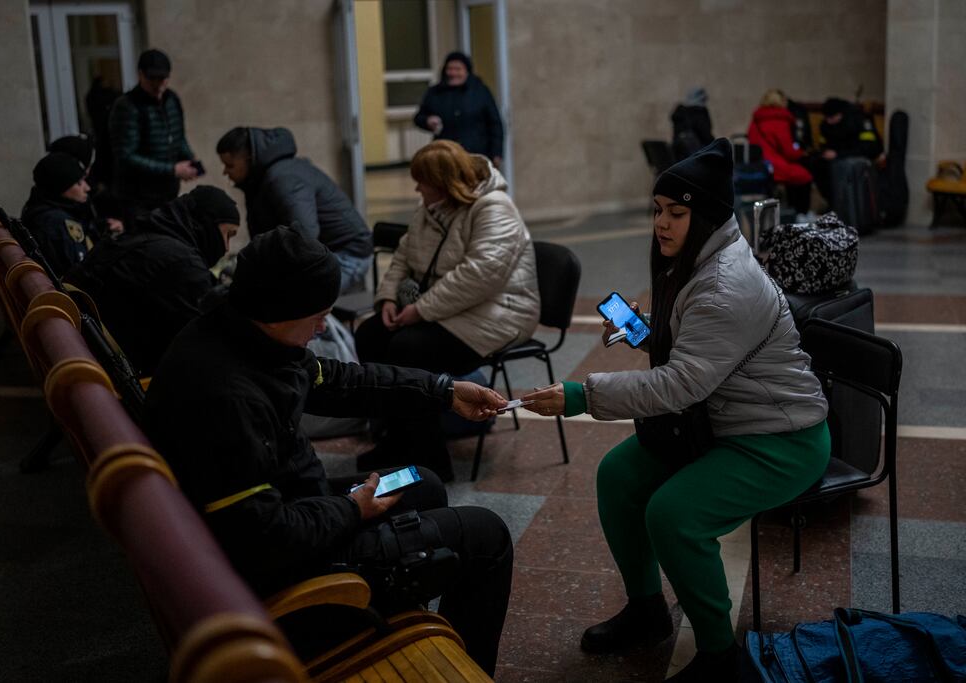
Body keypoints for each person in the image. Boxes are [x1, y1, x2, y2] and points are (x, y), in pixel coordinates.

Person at [523, 139, 830, 681]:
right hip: (722, 421)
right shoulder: (696, 262)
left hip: (781, 439)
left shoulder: (723, 286)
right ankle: (646, 610)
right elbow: (695, 355)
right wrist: (649, 333)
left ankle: (718, 655)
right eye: (658, 210)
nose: (661, 223)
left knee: (674, 515)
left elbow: (681, 384)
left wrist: (579, 396)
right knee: (619, 475)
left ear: (706, 215)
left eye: (677, 212)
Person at [143, 226, 514, 675]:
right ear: (280, 309)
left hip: (293, 509)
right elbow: (266, 539)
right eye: (317, 315)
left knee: (423, 481)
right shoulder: (227, 398)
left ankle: (388, 609)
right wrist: (351, 510)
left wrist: (443, 390)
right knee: (488, 537)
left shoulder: (244, 333)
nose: (324, 326)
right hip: (293, 574)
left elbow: (343, 381)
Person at [354, 140, 539, 481]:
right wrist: (389, 300)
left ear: (442, 182)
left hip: (500, 313)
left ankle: (429, 458)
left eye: (421, 181)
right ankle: (397, 438)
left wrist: (419, 311)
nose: (416, 188)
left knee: (408, 349)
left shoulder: (494, 207)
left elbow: (479, 275)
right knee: (370, 335)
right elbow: (402, 258)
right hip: (448, 308)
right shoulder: (432, 208)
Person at [64, 186, 239, 376]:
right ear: (205, 224)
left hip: (78, 349)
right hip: (110, 373)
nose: (227, 247)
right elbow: (211, 341)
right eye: (227, 234)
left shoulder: (141, 236)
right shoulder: (180, 263)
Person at [216, 126, 372, 294]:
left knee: (286, 302)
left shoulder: (283, 179)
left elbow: (305, 238)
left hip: (347, 255)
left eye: (229, 165)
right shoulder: (260, 179)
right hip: (325, 252)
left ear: (249, 158)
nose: (225, 172)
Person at [108, 49, 200, 213]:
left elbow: (177, 136)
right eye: (152, 79)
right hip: (137, 196)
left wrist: (189, 157)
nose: (158, 84)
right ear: (140, 75)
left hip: (167, 191)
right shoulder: (128, 105)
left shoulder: (171, 99)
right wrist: (173, 169)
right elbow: (125, 156)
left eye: (162, 79)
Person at [21, 152, 103, 278]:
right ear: (61, 187)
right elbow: (82, 272)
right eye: (79, 182)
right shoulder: (57, 223)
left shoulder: (38, 207)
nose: (87, 187)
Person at [414, 52, 504, 165]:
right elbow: (418, 118)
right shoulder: (435, 92)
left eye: (458, 69)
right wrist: (427, 121)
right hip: (446, 156)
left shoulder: (480, 91)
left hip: (477, 155)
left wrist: (497, 153)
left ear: (467, 71)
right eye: (450, 69)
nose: (453, 73)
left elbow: (495, 123)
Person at [748, 89, 815, 219]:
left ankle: (794, 211)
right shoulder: (780, 119)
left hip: (761, 165)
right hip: (775, 164)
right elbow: (789, 151)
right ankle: (801, 213)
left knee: (795, 173)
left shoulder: (757, 118)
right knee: (804, 175)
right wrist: (802, 153)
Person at [811, 97, 885, 203]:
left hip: (858, 160)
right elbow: (823, 144)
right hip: (836, 160)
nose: (829, 121)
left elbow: (870, 147)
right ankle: (833, 203)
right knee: (817, 164)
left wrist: (839, 154)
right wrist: (825, 152)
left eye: (831, 117)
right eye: (826, 117)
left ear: (840, 114)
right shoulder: (826, 125)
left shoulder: (859, 120)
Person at [48, 134, 126, 236]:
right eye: (79, 181)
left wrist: (101, 228)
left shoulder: (73, 205)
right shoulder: (55, 220)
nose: (87, 187)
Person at [671, 87, 714, 161]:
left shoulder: (679, 113)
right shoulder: (698, 113)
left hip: (681, 159)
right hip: (696, 157)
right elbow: (706, 136)